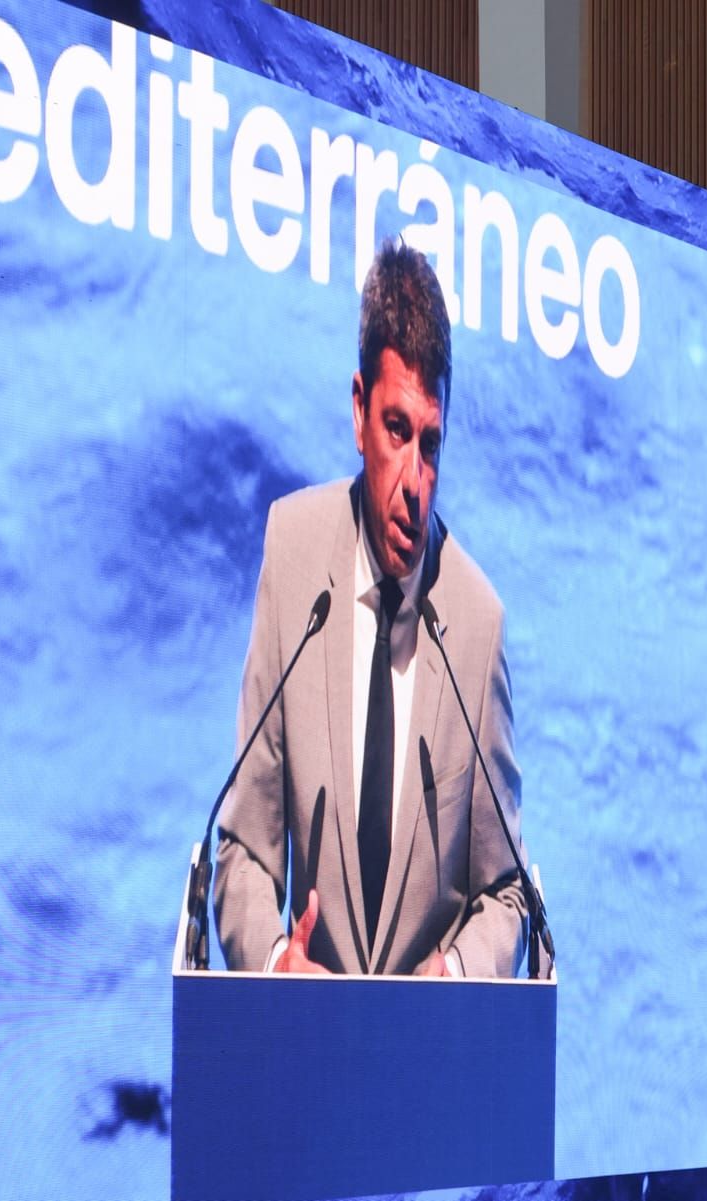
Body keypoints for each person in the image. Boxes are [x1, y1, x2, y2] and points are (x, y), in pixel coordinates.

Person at [213, 240, 528, 978]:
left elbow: (506, 891)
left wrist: (451, 974)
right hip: (306, 1048)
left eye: (432, 444)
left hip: (427, 1068)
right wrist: (273, 961)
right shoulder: (292, 557)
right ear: (359, 412)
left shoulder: (477, 626)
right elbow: (243, 849)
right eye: (396, 430)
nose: (415, 479)